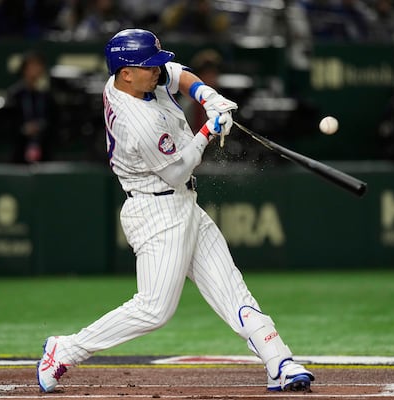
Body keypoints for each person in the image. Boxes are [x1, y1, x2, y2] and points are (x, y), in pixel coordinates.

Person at [37, 29, 314, 393]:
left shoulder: (132, 79)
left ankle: (279, 361)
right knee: (154, 309)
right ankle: (65, 349)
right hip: (156, 211)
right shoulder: (135, 120)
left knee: (232, 290)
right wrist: (208, 130)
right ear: (126, 73)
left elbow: (179, 74)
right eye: (148, 66)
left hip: (182, 202)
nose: (158, 70)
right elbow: (177, 169)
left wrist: (209, 97)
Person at [4, 50, 59, 164]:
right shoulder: (15, 95)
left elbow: (54, 120)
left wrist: (40, 127)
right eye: (32, 65)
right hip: (20, 149)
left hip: (43, 148)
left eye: (39, 65)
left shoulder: (46, 95)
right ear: (24, 68)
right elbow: (8, 122)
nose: (36, 69)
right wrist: (23, 129)